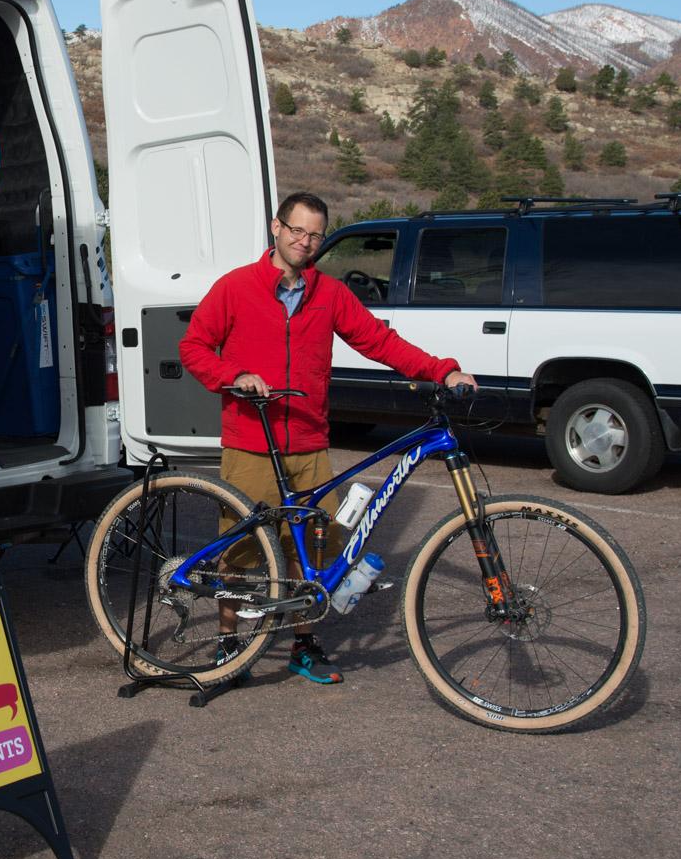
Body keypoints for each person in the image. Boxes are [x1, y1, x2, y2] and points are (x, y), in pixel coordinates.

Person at [179, 191, 476, 684]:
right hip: (251, 440)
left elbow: (379, 342)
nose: (305, 241)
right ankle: (228, 642)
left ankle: (303, 644)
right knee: (238, 552)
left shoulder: (330, 294)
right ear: (276, 228)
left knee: (314, 551)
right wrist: (234, 376)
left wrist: (442, 370)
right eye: (297, 230)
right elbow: (193, 347)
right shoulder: (235, 287)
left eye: (316, 235)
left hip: (309, 442)